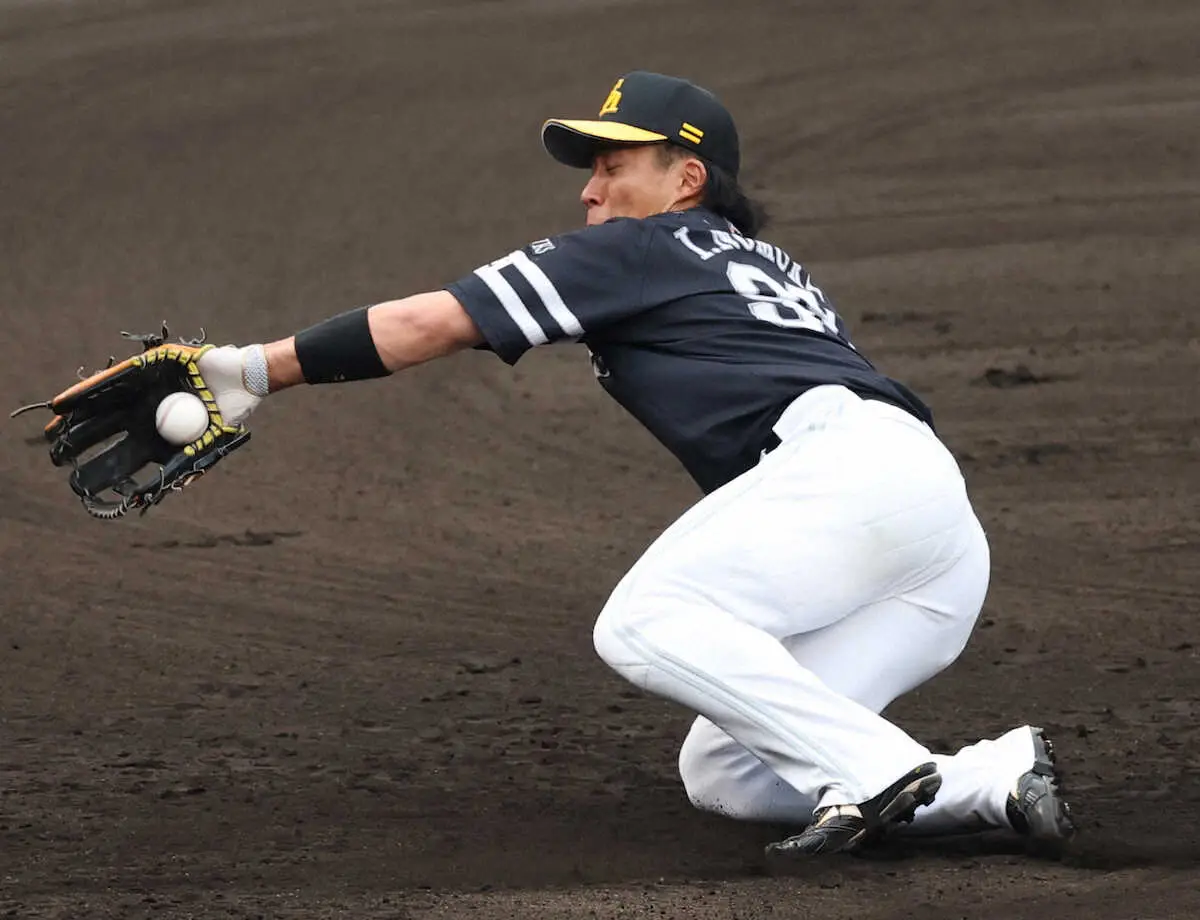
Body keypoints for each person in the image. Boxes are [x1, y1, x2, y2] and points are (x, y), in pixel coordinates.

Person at [182, 71, 1076, 857]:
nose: (590, 190)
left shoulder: (642, 248)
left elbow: (428, 324)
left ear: (687, 180)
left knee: (647, 620)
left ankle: (877, 773)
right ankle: (989, 780)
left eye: (614, 165)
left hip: (850, 474)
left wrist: (250, 371)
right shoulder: (764, 263)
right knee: (730, 770)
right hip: (931, 533)